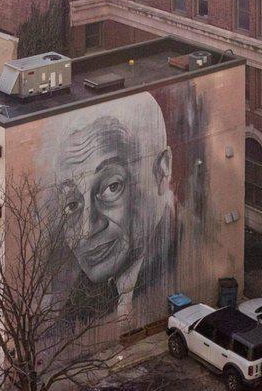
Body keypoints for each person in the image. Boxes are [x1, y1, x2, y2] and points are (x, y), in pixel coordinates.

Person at [47, 94, 176, 322]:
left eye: (111, 187)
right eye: (72, 203)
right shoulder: (78, 307)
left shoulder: (184, 253)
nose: (86, 230)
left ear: (162, 170)